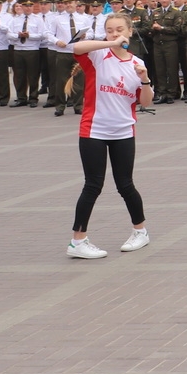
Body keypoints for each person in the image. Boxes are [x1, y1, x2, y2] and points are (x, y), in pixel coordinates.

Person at [67, 14, 154, 259]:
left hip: (124, 131)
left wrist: (145, 79)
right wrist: (110, 43)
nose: (115, 34)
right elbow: (77, 47)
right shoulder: (98, 55)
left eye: (119, 30)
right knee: (93, 185)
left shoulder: (136, 63)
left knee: (125, 184)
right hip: (94, 130)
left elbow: (145, 101)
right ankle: (78, 241)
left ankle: (140, 232)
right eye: (110, 30)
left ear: (130, 30)